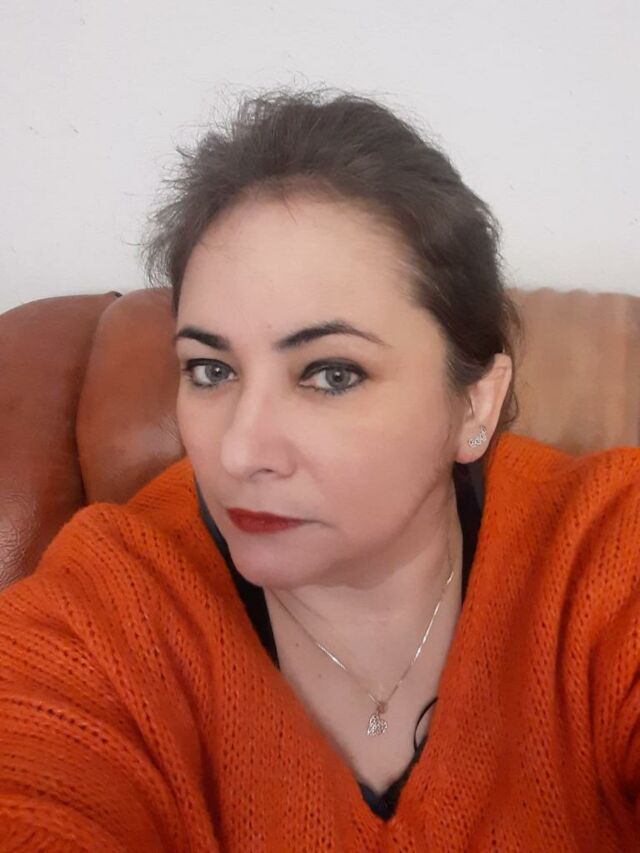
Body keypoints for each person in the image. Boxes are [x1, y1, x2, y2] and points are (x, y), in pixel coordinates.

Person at [0, 90, 638, 852]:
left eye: (331, 373)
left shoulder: (605, 552)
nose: (238, 453)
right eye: (209, 370)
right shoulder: (112, 605)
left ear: (474, 403)